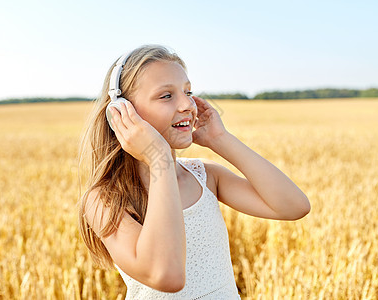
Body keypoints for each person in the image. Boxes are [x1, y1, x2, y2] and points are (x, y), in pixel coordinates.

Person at [77, 44, 311, 299]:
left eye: (188, 92)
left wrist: (220, 138)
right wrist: (159, 159)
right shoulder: (105, 200)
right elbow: (167, 275)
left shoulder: (205, 178)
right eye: (166, 96)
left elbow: (294, 206)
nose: (187, 104)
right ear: (121, 114)